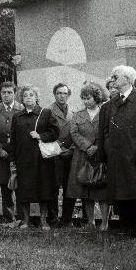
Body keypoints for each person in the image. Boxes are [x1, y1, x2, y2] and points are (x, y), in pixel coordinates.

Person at [97, 65, 136, 239]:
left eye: (115, 77)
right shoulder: (110, 105)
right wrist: (104, 155)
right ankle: (127, 228)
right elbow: (104, 132)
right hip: (116, 158)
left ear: (127, 80)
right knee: (121, 193)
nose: (112, 79)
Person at [6, 85, 60, 229]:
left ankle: (43, 220)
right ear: (21, 99)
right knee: (24, 191)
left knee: (43, 190)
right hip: (23, 159)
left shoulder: (46, 113)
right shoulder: (17, 116)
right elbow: (14, 140)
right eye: (25, 96)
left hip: (42, 160)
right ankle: (25, 220)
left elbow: (55, 132)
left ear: (36, 97)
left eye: (31, 95)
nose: (28, 98)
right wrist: (13, 160)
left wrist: (41, 136)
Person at [66, 83, 111, 231]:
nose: (86, 101)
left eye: (88, 98)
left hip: (101, 156)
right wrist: (87, 146)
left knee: (102, 189)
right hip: (82, 156)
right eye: (83, 98)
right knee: (85, 189)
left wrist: (98, 147)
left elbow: (108, 132)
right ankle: (90, 221)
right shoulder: (77, 114)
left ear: (96, 98)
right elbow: (74, 132)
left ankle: (104, 222)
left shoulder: (105, 112)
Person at [0, 81, 22, 224]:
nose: (6, 95)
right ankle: (8, 216)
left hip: (17, 153)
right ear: (0, 94)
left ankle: (21, 217)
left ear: (14, 93)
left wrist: (16, 151)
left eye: (9, 92)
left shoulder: (21, 109)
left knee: (19, 184)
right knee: (3, 184)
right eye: (4, 93)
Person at [43, 83, 76, 227]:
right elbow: (46, 132)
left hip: (69, 154)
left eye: (65, 93)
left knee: (69, 188)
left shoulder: (73, 112)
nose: (62, 96)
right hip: (54, 154)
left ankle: (67, 219)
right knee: (53, 188)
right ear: (54, 94)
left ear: (68, 95)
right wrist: (58, 146)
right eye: (59, 93)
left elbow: (76, 133)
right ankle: (53, 218)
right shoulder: (48, 111)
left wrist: (70, 148)